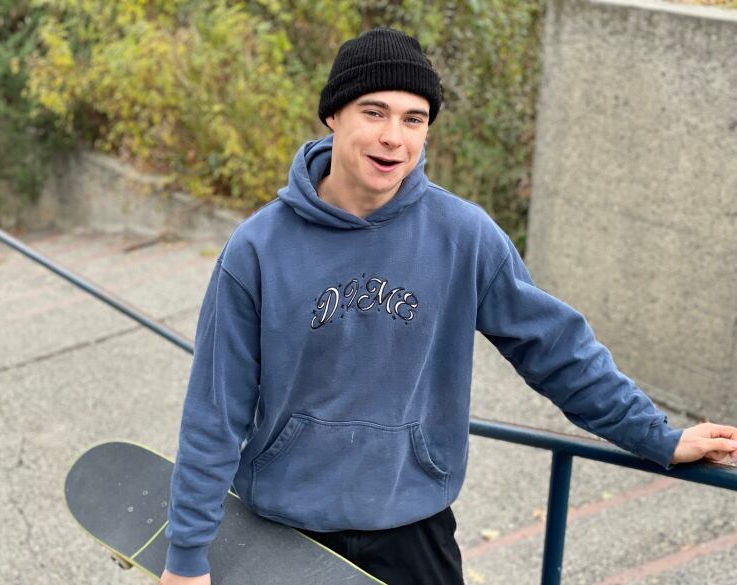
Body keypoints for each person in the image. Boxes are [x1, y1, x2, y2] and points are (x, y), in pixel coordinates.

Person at [160, 27, 737, 585]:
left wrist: (654, 436)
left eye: (415, 119)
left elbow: (557, 351)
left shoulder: (464, 236)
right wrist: (186, 554)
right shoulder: (259, 248)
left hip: (413, 527)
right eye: (374, 112)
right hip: (284, 528)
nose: (395, 137)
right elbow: (216, 408)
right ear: (333, 114)